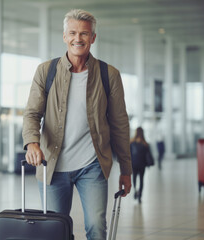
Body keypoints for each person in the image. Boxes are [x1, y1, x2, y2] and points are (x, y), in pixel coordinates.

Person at [22, 9, 132, 240]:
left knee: (96, 227)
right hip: (51, 166)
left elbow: (120, 124)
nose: (78, 38)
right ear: (64, 36)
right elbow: (32, 113)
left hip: (92, 166)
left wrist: (126, 169)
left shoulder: (108, 74)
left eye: (84, 33)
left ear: (93, 38)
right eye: (72, 33)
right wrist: (32, 142)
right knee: (54, 231)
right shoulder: (46, 71)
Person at [130, 127, 151, 204]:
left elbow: (129, 154)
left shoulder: (131, 143)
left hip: (134, 164)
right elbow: (148, 155)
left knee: (134, 178)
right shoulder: (145, 144)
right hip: (142, 164)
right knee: (141, 180)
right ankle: (140, 195)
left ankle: (135, 190)